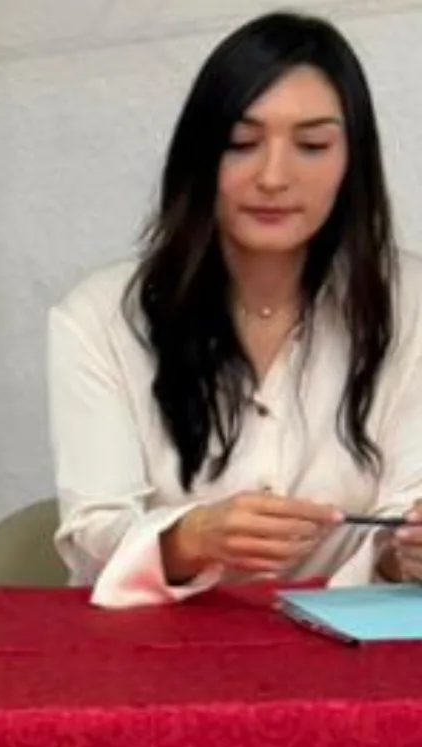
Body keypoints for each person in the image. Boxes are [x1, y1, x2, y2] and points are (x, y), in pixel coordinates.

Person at [50, 11, 422, 607]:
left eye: (312, 145)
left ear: (352, 161)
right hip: (161, 650)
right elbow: (93, 530)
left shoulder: (413, 307)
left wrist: (403, 553)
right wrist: (189, 539)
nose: (273, 177)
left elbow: (408, 512)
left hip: (356, 650)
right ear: (198, 157)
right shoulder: (100, 319)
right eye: (242, 144)